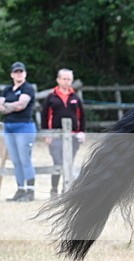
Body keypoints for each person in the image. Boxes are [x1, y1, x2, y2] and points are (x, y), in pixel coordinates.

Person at [41, 68, 86, 197]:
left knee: (69, 163)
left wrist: (82, 132)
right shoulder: (51, 97)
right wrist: (46, 134)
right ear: (58, 80)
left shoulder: (75, 97)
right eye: (64, 79)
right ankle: (54, 190)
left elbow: (82, 116)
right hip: (55, 135)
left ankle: (66, 190)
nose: (67, 82)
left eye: (69, 79)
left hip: (73, 136)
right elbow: (45, 116)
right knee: (58, 162)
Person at [0, 62, 37, 201]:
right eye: (16, 72)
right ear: (11, 74)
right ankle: (20, 189)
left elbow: (21, 105)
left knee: (24, 159)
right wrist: (11, 106)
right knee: (15, 160)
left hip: (24, 127)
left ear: (25, 73)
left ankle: (30, 191)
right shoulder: (7, 89)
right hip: (9, 127)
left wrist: (6, 106)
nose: (18, 74)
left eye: (21, 72)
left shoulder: (28, 88)